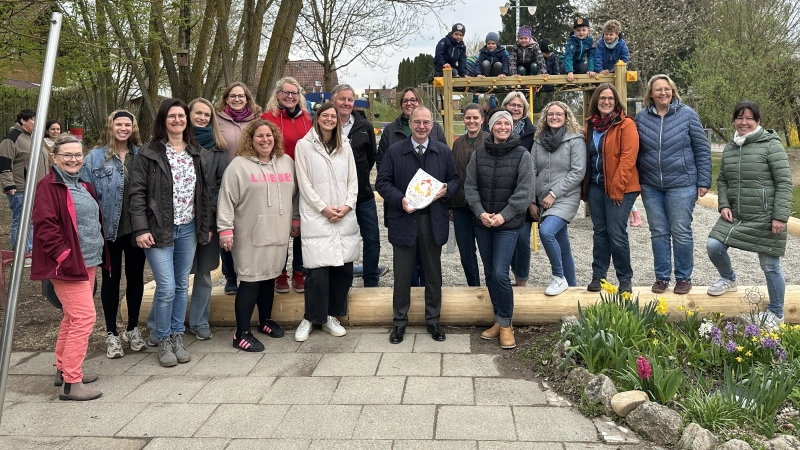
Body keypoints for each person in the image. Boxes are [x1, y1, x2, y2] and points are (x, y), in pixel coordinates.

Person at [130, 98, 211, 367]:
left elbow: (204, 194)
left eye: (181, 116)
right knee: (165, 287)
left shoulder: (195, 151)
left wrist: (204, 227)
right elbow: (137, 193)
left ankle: (177, 335)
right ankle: (162, 338)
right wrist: (141, 228)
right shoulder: (149, 152)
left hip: (187, 228)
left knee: (179, 285)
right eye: (171, 116)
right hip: (157, 229)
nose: (177, 120)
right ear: (163, 120)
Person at [31, 134, 109, 401]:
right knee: (84, 319)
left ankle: (64, 369)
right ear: (55, 157)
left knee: (71, 317)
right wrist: (63, 256)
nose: (73, 159)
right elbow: (45, 226)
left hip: (88, 261)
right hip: (68, 265)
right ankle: (72, 384)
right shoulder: (48, 186)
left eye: (77, 155)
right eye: (67, 155)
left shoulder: (83, 185)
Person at [376, 106, 459, 345]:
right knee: (402, 276)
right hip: (404, 220)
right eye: (417, 122)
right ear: (409, 124)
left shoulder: (442, 151)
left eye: (426, 122)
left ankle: (433, 320)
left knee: (434, 275)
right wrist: (399, 199)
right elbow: (382, 182)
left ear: (432, 125)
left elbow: (454, 180)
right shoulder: (395, 151)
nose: (422, 126)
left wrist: (447, 190)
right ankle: (399, 323)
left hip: (433, 221)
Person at [706, 101, 792, 330]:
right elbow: (722, 179)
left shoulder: (771, 145)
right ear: (734, 120)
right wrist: (723, 204)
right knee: (714, 245)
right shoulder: (731, 146)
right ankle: (729, 278)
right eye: (739, 118)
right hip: (737, 215)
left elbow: (784, 182)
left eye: (749, 118)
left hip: (765, 216)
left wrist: (780, 217)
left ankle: (777, 313)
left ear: (758, 121)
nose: (744, 122)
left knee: (770, 265)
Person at [217, 119, 298, 351]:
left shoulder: (286, 162)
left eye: (269, 135)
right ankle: (241, 333)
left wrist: (295, 219)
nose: (265, 140)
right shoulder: (238, 166)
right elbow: (226, 199)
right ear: (250, 140)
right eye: (259, 136)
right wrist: (225, 229)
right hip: (250, 235)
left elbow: (295, 195)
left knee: (269, 278)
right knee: (251, 280)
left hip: (277, 233)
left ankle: (265, 321)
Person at [635, 74, 711, 294]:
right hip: (651, 185)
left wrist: (703, 180)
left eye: (666, 89)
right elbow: (635, 151)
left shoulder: (687, 115)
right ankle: (661, 277)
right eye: (658, 89)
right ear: (650, 93)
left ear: (673, 91)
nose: (663, 93)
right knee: (658, 231)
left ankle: (683, 277)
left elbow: (702, 149)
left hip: (682, 183)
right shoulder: (641, 118)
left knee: (680, 231)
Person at [80, 110, 147, 359]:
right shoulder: (95, 158)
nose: (123, 128)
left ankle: (132, 328)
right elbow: (85, 195)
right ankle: (111, 333)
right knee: (111, 281)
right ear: (111, 126)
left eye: (127, 124)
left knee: (136, 279)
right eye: (118, 124)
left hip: (136, 230)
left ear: (133, 127)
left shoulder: (141, 155)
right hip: (107, 231)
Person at [465, 110, 534, 349]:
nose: (502, 126)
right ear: (491, 127)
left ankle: (506, 325)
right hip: (483, 223)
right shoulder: (478, 155)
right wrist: (480, 212)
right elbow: (471, 187)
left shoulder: (522, 155)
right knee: (489, 273)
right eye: (498, 123)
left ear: (512, 126)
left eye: (507, 123)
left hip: (508, 224)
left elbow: (524, 193)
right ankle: (498, 319)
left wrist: (502, 217)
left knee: (500, 273)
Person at [294, 104, 359, 341]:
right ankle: (311, 317)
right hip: (317, 215)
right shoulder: (304, 146)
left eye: (333, 116)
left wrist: (347, 205)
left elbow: (353, 180)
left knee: (343, 269)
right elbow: (304, 183)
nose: (330, 119)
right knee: (317, 271)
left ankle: (332, 315)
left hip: (343, 214)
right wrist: (323, 208)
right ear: (317, 118)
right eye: (325, 116)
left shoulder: (346, 146)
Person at [377, 88, 448, 288]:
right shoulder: (391, 132)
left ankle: (428, 305)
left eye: (413, 99)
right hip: (402, 207)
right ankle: (407, 305)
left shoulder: (436, 131)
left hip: (431, 209)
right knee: (405, 265)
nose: (409, 103)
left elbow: (443, 165)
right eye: (405, 100)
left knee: (429, 265)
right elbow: (383, 169)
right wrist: (398, 198)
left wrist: (443, 190)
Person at [582, 83, 640, 294]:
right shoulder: (590, 125)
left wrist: (616, 188)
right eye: (602, 98)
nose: (606, 102)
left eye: (610, 99)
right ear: (596, 101)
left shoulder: (626, 125)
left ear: (616, 102)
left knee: (616, 232)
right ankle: (599, 276)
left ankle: (625, 279)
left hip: (621, 186)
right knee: (600, 232)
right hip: (597, 185)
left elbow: (628, 158)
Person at [529, 102, 587, 296]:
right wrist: (533, 200)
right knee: (562, 244)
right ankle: (571, 286)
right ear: (545, 117)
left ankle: (558, 276)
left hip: (565, 196)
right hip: (543, 199)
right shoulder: (538, 141)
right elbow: (532, 170)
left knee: (546, 232)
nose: (554, 117)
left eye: (559, 114)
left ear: (566, 116)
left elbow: (578, 171)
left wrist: (554, 193)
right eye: (550, 114)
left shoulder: (575, 139)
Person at [262, 76, 312, 294]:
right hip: (277, 177)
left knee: (302, 223)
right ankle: (280, 272)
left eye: (294, 93)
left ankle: (299, 271)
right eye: (286, 93)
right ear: (278, 95)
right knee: (281, 224)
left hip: (302, 177)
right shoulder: (267, 118)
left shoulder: (307, 119)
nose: (290, 96)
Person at [331, 84, 383, 287]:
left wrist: (358, 175)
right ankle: (342, 281)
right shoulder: (327, 124)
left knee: (371, 239)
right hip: (336, 196)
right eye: (342, 99)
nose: (346, 103)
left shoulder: (364, 126)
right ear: (334, 101)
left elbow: (371, 157)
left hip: (363, 195)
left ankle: (371, 279)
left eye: (350, 100)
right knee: (341, 239)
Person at [187, 98, 228, 339]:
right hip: (180, 216)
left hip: (208, 217)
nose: (202, 118)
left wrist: (212, 207)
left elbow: (224, 181)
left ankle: (200, 321)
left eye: (206, 114)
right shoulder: (177, 143)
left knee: (203, 272)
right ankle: (166, 323)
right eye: (198, 114)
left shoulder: (218, 147)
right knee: (176, 274)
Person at [215, 82, 261, 295]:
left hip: (251, 179)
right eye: (232, 96)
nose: (237, 99)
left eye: (241, 96)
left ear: (247, 98)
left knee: (250, 227)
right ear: (226, 99)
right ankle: (230, 276)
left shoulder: (256, 120)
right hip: (225, 178)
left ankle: (250, 273)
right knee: (228, 227)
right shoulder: (217, 120)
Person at [0, 108, 49, 257]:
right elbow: (4, 162)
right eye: (34, 119)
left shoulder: (33, 138)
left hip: (37, 188)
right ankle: (20, 254)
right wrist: (9, 185)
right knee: (22, 221)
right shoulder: (12, 138)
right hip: (21, 188)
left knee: (32, 220)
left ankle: (30, 251)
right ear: (23, 120)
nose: (37, 122)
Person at [451, 103, 489, 286]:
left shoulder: (490, 141)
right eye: (468, 117)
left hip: (483, 207)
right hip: (460, 206)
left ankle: (492, 286)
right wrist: (449, 204)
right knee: (466, 253)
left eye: (475, 118)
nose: (472, 121)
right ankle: (473, 286)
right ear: (463, 119)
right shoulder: (457, 143)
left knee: (486, 250)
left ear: (482, 119)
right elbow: (451, 174)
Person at [501, 92, 536, 287]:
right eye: (512, 105)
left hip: (523, 193)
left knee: (522, 239)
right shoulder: (497, 127)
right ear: (505, 106)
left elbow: (535, 166)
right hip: (500, 193)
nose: (515, 108)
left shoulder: (531, 133)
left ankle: (521, 281)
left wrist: (531, 199)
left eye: (519, 106)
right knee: (504, 240)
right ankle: (504, 279)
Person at [560, 16, 597, 82]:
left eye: (583, 30)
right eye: (578, 30)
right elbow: (569, 57)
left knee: (584, 68)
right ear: (574, 31)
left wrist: (591, 70)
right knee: (564, 68)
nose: (581, 32)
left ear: (588, 31)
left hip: (578, 62)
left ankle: (579, 83)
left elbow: (591, 56)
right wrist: (570, 71)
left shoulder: (589, 41)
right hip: (566, 61)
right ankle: (565, 82)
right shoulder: (571, 42)